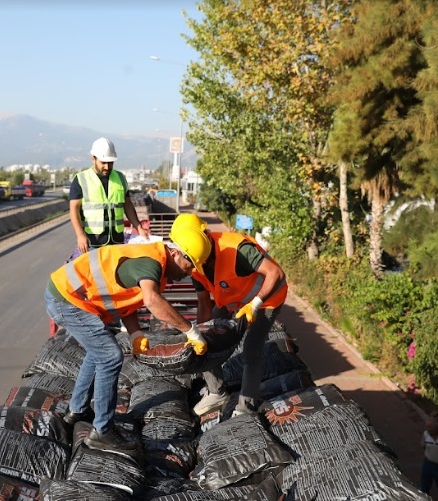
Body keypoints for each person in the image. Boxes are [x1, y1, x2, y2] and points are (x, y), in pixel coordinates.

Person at [44, 229, 212, 456]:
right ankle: (102, 432)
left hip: (71, 296)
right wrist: (190, 331)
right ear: (175, 253)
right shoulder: (151, 263)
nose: (189, 273)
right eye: (189, 265)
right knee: (110, 356)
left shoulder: (154, 264)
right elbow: (152, 301)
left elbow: (126, 299)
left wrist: (135, 334)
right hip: (67, 299)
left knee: (98, 353)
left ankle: (78, 411)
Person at [169, 214, 288, 417]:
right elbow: (204, 302)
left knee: (252, 350)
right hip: (233, 301)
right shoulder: (195, 261)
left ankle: (245, 407)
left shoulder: (237, 249)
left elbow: (276, 274)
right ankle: (218, 392)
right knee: (204, 340)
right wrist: (199, 334)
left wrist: (255, 304)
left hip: (266, 300)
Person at [68, 137, 150, 256]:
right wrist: (80, 235)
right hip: (93, 242)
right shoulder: (81, 179)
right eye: (103, 162)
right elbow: (73, 210)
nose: (107, 167)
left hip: (116, 241)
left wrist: (138, 227)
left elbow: (127, 205)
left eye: (110, 163)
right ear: (93, 159)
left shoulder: (120, 178)